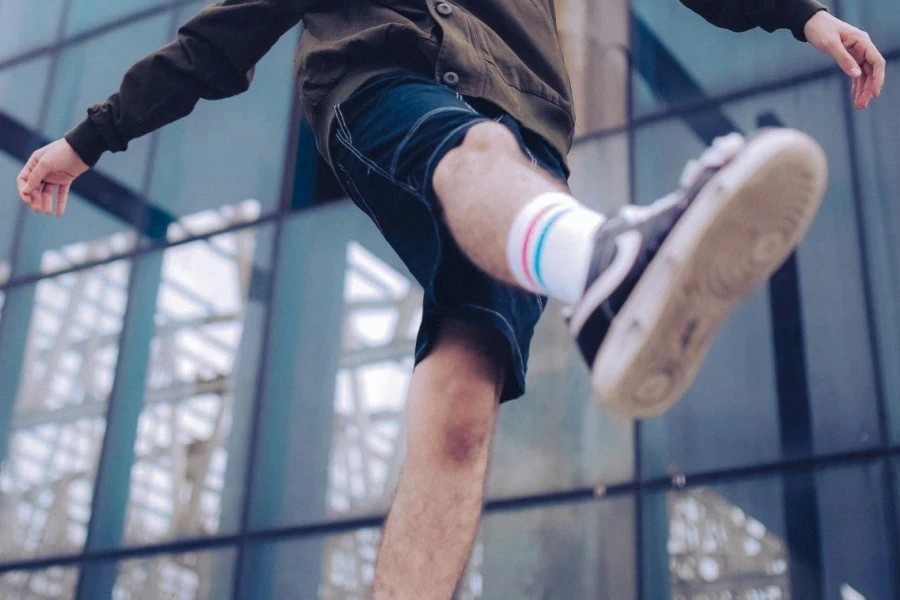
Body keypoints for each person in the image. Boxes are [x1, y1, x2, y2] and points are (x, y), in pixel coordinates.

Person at [15, 0, 885, 597]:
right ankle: (602, 262)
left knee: (462, 416)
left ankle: (595, 266)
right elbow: (219, 41)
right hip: (382, 80)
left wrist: (799, 12)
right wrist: (91, 137)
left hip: (526, 131)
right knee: (470, 150)